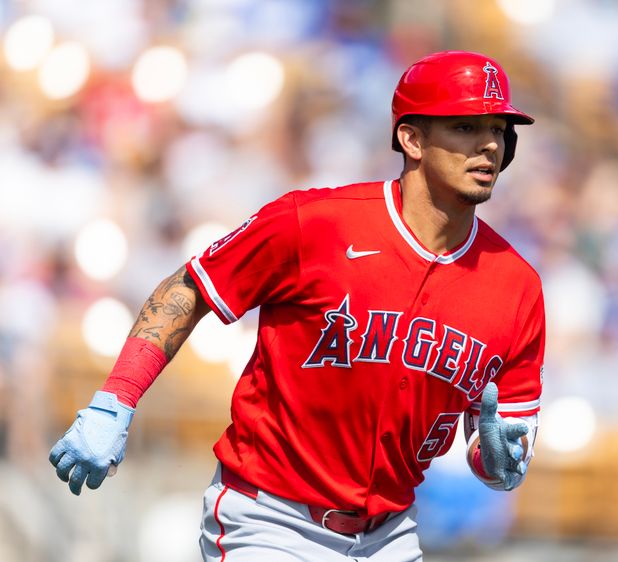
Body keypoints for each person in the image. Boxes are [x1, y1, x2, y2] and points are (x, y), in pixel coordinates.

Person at [49, 50, 545, 562]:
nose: (489, 144)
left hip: (391, 534)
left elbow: (501, 448)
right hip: (270, 520)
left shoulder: (518, 287)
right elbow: (191, 288)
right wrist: (117, 398)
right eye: (466, 126)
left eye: (499, 130)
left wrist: (499, 462)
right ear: (411, 138)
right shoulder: (315, 224)